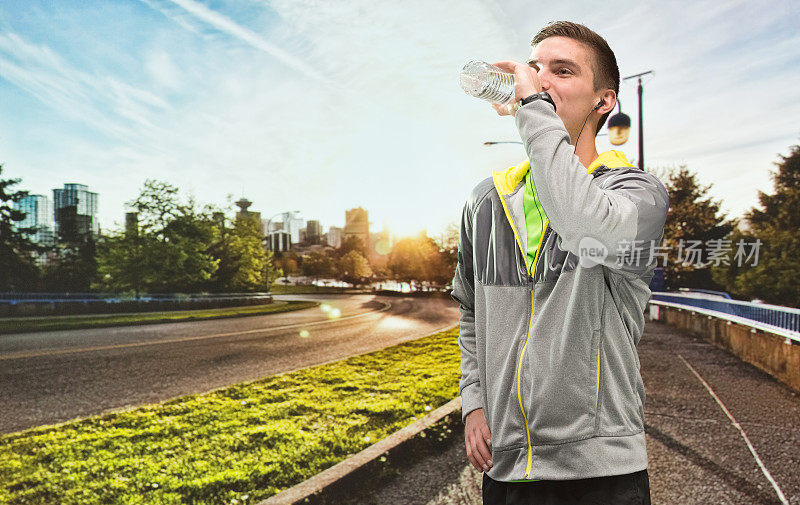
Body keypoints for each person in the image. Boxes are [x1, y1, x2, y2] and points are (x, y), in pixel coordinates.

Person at [450, 21, 669, 504]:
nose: (540, 81)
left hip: (600, 474)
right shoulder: (486, 201)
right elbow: (470, 312)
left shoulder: (635, 193)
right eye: (534, 69)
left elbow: (586, 225)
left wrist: (532, 110)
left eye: (562, 71)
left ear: (603, 101)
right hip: (506, 472)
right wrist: (474, 402)